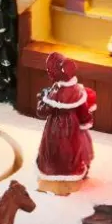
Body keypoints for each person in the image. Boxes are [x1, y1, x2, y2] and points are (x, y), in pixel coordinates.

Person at [36, 51, 96, 195]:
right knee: (71, 151)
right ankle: (69, 177)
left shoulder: (55, 92)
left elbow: (42, 111)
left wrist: (42, 99)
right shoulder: (77, 90)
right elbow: (83, 113)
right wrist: (85, 121)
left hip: (54, 128)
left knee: (53, 150)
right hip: (72, 129)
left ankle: (52, 177)